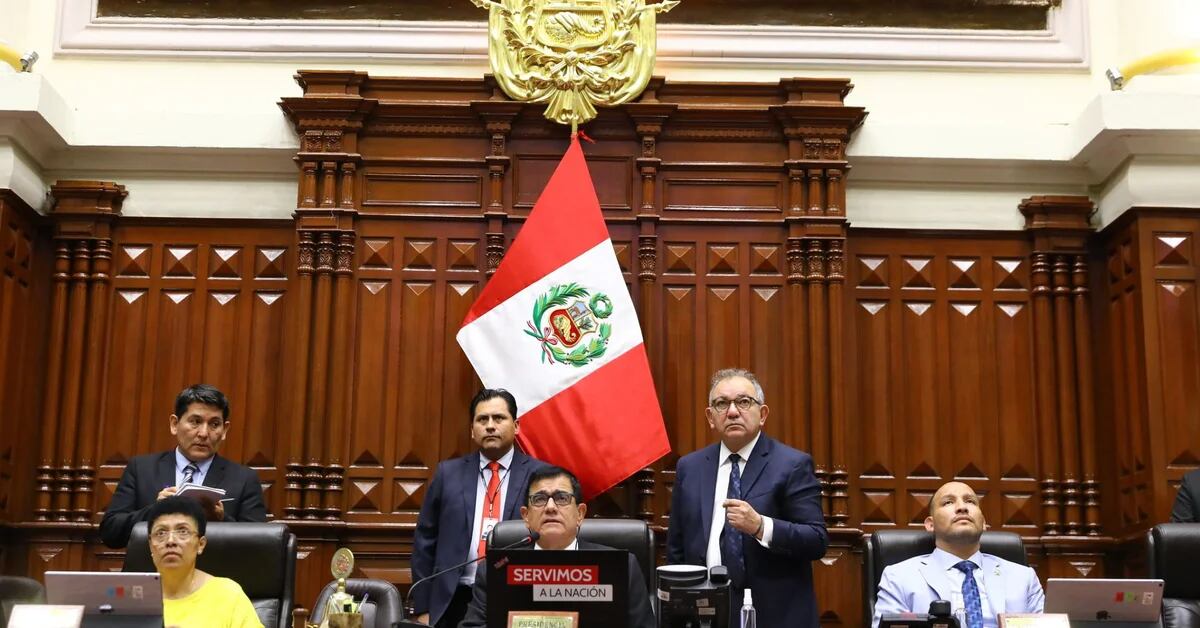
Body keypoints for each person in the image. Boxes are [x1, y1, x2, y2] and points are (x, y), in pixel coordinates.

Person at [666, 367, 827, 626]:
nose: (732, 411)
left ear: (762, 414)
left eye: (743, 402)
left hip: (774, 615)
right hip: (705, 614)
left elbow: (816, 540)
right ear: (710, 417)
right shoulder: (690, 467)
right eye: (721, 404)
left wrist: (761, 527)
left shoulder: (792, 464)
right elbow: (676, 548)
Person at [410, 388, 550, 627]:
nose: (490, 426)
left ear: (516, 426)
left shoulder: (540, 475)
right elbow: (425, 542)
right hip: (453, 600)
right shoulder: (448, 473)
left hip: (515, 596)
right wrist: (424, 609)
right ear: (472, 430)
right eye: (482, 419)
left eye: (499, 418)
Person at [458, 465, 656, 628]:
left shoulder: (622, 568)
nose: (550, 507)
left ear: (580, 513)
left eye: (562, 498)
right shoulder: (495, 570)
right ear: (526, 516)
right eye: (540, 499)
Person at [99, 384, 268, 548]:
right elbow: (110, 533)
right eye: (195, 422)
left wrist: (221, 520)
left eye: (214, 424)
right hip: (153, 572)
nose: (203, 433)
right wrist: (155, 511)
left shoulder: (245, 479)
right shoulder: (141, 469)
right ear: (174, 424)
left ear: (225, 430)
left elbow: (260, 546)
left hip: (212, 574)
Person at [873, 481, 1044, 628]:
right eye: (948, 502)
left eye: (970, 501)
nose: (962, 507)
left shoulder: (1023, 578)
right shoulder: (899, 577)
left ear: (983, 523)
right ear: (930, 524)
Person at [147, 495, 263, 628]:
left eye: (183, 531)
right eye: (161, 533)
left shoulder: (227, 594)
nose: (170, 541)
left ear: (200, 544)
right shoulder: (132, 597)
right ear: (150, 545)